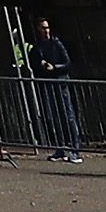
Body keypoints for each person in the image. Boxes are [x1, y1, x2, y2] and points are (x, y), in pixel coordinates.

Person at [29, 19, 83, 163]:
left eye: (47, 28)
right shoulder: (38, 47)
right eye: (42, 28)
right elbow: (34, 62)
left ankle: (75, 149)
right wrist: (42, 64)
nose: (46, 31)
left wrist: (56, 67)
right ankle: (60, 148)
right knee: (55, 117)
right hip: (49, 83)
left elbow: (67, 63)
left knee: (68, 115)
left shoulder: (56, 44)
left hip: (61, 82)